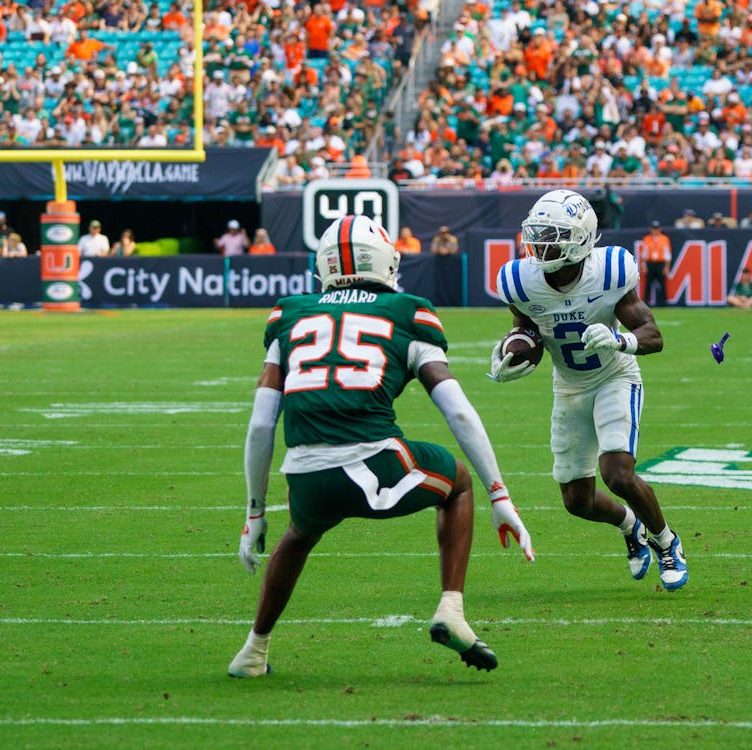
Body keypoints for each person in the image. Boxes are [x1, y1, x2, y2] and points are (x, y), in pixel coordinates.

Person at [228, 214, 534, 679]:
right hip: (373, 467)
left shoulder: (289, 313)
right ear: (386, 261)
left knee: (299, 534)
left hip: (305, 475)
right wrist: (501, 495)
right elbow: (458, 411)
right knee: (460, 483)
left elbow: (259, 425)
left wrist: (253, 514)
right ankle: (451, 607)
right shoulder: (409, 312)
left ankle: (253, 650)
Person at [489, 189, 688, 591]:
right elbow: (526, 328)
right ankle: (629, 526)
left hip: (615, 375)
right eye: (538, 233)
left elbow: (652, 334)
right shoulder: (519, 280)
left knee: (617, 473)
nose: (541, 243)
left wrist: (620, 341)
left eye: (553, 235)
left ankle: (666, 542)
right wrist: (513, 349)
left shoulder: (612, 269)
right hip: (569, 385)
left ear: (580, 240)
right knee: (576, 501)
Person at [638, 221, 671, 306]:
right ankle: (646, 301)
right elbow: (644, 254)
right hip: (650, 263)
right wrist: (644, 266)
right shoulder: (647, 238)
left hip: (660, 263)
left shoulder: (665, 239)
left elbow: (667, 254)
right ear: (651, 229)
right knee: (648, 283)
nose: (655, 231)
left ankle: (663, 302)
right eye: (653, 229)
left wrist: (666, 267)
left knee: (662, 283)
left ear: (660, 229)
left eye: (657, 229)